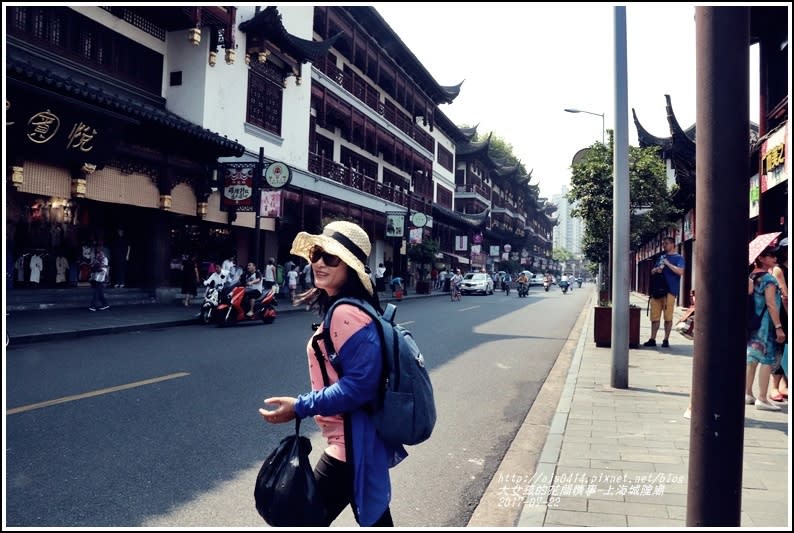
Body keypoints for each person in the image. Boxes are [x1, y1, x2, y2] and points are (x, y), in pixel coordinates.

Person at [258, 220, 404, 527]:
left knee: (298, 521)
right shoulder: (349, 308)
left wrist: (299, 406)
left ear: (350, 267)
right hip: (354, 439)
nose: (320, 263)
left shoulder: (345, 313)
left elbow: (359, 387)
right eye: (316, 254)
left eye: (331, 258)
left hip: (350, 443)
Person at [746, 246, 786, 411]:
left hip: (753, 322)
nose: (774, 259)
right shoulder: (769, 280)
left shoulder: (752, 275)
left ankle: (748, 393)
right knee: (767, 359)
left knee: (752, 358)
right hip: (766, 324)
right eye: (770, 256)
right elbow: (771, 304)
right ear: (761, 258)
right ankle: (762, 397)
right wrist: (778, 327)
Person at [643, 237, 686, 348]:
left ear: (672, 244)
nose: (664, 246)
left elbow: (680, 272)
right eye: (663, 243)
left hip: (669, 292)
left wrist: (668, 264)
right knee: (654, 317)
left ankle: (666, 340)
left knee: (668, 317)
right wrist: (656, 270)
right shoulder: (661, 257)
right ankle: (652, 339)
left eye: (666, 243)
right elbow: (652, 271)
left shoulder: (679, 258)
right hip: (657, 291)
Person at [768, 237, 788, 400]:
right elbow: (785, 296)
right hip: (784, 313)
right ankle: (774, 387)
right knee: (779, 349)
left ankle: (783, 385)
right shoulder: (778, 269)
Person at [88, 243, 110, 311]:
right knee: (99, 292)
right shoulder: (97, 257)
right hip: (96, 276)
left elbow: (104, 268)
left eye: (99, 251)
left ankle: (93, 306)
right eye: (98, 251)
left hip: (100, 277)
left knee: (96, 292)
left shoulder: (104, 259)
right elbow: (93, 265)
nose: (98, 252)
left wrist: (96, 267)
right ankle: (105, 304)